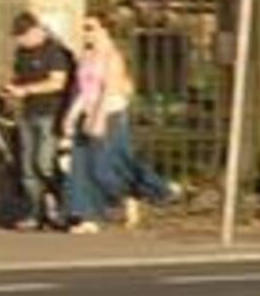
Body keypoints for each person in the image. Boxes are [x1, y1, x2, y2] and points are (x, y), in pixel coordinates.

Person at [60, 12, 178, 232]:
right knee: (82, 167)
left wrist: (99, 118)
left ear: (104, 30)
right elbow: (84, 91)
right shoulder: (86, 57)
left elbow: (109, 89)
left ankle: (152, 189)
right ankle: (87, 217)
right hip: (87, 112)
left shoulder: (112, 57)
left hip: (109, 113)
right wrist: (72, 115)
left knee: (109, 165)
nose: (86, 33)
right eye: (84, 28)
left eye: (90, 27)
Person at [5, 12, 76, 229]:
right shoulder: (21, 53)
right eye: (17, 37)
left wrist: (26, 90)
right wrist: (9, 90)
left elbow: (58, 83)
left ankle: (65, 207)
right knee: (28, 170)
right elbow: (17, 77)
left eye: (23, 35)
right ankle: (36, 213)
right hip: (28, 114)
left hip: (49, 113)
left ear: (35, 31)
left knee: (44, 164)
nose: (20, 41)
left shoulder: (53, 52)